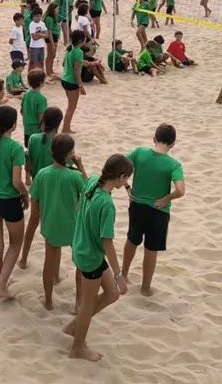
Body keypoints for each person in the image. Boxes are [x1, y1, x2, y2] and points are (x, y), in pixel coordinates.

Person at [64, 154, 134, 362]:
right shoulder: (107, 205)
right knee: (88, 304)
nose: (128, 182)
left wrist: (82, 166)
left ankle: (74, 327)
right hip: (90, 256)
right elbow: (107, 243)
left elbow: (85, 188)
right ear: (120, 177)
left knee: (112, 294)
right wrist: (119, 274)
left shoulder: (94, 180)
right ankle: (77, 347)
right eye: (127, 179)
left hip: (84, 248)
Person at [121, 123, 184, 296]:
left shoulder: (140, 152)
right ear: (172, 144)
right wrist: (167, 198)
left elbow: (120, 166)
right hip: (159, 210)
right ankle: (145, 287)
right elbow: (180, 190)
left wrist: (127, 187)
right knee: (151, 248)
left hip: (137, 206)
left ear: (154, 139)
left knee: (132, 240)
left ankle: (124, 275)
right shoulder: (174, 165)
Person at [28, 134, 86, 310]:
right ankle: (78, 303)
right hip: (73, 225)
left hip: (51, 224)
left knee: (49, 262)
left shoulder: (42, 174)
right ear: (69, 154)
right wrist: (81, 167)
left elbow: (35, 198)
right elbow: (89, 192)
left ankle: (48, 300)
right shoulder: (74, 176)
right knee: (80, 265)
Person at [0, 105, 28, 299]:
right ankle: (2, 285)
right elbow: (17, 181)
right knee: (16, 243)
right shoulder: (16, 148)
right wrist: (25, 195)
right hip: (9, 200)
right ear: (14, 125)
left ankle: (0, 282)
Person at [61, 30, 86, 134]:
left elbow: (63, 64)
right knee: (71, 107)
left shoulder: (69, 49)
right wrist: (81, 85)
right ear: (81, 40)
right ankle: (65, 129)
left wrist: (83, 62)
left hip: (64, 79)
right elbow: (77, 71)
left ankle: (66, 127)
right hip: (72, 82)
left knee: (70, 106)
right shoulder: (79, 52)